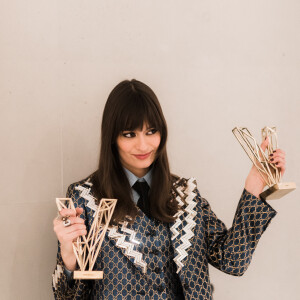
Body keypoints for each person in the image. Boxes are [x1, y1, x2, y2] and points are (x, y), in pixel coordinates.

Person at [52, 79, 285, 300]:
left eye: (151, 131)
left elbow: (232, 260)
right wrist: (68, 258)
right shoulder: (85, 197)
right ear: (112, 137)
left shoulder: (186, 195)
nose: (143, 145)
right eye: (129, 134)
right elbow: (64, 297)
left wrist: (255, 183)